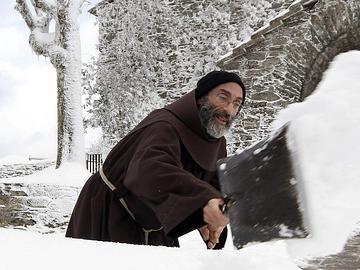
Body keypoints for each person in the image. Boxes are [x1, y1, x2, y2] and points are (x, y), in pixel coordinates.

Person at [66, 71, 245, 249]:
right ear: (201, 98)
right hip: (109, 211)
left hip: (155, 223)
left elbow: (213, 184)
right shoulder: (164, 125)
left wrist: (209, 215)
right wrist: (204, 201)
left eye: (236, 104)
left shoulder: (218, 143)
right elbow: (152, 169)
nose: (229, 110)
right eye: (223, 97)